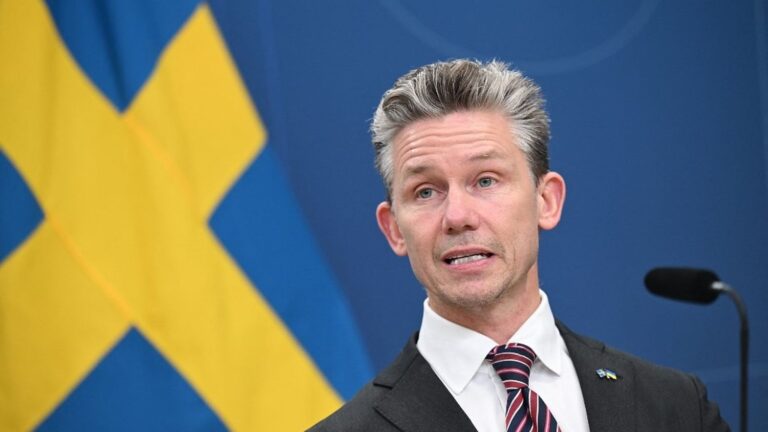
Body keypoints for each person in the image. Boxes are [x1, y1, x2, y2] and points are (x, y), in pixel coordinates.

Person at [309, 59, 729, 432]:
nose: (458, 216)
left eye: (485, 180)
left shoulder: (676, 406)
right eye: (425, 191)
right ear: (394, 229)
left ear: (546, 201)